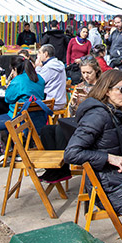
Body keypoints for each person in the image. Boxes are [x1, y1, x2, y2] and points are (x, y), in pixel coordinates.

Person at [64, 69, 122, 223]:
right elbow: (71, 153)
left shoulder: (119, 111)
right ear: (107, 91)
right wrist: (108, 158)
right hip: (107, 185)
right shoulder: (97, 116)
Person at [37, 56, 103, 184]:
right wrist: (73, 102)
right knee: (46, 130)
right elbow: (72, 111)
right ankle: (53, 168)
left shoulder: (102, 86)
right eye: (83, 73)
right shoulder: (80, 86)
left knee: (61, 130)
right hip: (79, 120)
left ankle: (63, 169)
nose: (86, 76)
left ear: (96, 71)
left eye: (89, 72)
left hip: (94, 123)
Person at [0, 56, 45, 168]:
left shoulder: (18, 80)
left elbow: (8, 98)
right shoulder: (39, 78)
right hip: (38, 119)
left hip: (20, 119)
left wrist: (12, 80)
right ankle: (18, 148)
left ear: (15, 69)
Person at [36, 44, 67, 110]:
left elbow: (37, 82)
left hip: (51, 102)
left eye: (39, 53)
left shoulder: (49, 67)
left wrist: (37, 67)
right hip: (61, 101)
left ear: (45, 54)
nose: (38, 56)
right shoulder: (60, 64)